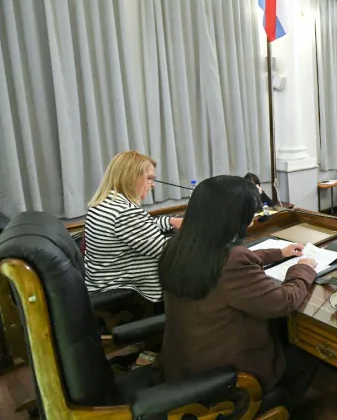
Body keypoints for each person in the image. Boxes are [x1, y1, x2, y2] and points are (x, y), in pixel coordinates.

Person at [158, 176, 318, 414]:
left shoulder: (178, 246)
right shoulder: (232, 262)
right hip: (229, 377)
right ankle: (274, 411)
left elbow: (223, 261)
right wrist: (303, 268)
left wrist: (279, 253)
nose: (252, 220)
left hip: (184, 364)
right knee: (308, 351)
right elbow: (283, 301)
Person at [84, 151, 183, 303]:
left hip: (102, 281)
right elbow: (169, 253)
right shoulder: (125, 213)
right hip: (128, 292)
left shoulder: (105, 203)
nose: (153, 185)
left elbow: (138, 228)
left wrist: (170, 221)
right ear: (131, 177)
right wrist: (198, 235)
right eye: (149, 178)